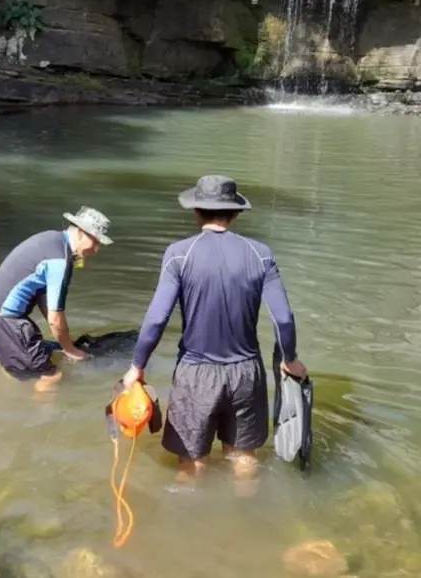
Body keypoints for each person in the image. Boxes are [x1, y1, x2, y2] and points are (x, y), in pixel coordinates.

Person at [122, 175, 307, 484]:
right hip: (246, 373)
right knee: (243, 456)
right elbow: (283, 318)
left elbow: (157, 319)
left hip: (196, 374)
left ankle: (188, 510)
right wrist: (290, 359)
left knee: (192, 460)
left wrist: (137, 366)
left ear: (196, 211)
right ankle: (245, 510)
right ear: (235, 213)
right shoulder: (261, 254)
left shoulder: (179, 254)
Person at [0, 206, 113, 392]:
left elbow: (43, 296)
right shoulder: (60, 262)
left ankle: (2, 392)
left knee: (15, 366)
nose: (96, 249)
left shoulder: (52, 239)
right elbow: (55, 318)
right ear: (81, 233)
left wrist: (64, 340)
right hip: (5, 322)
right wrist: (71, 350)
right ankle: (38, 409)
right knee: (52, 375)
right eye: (95, 241)